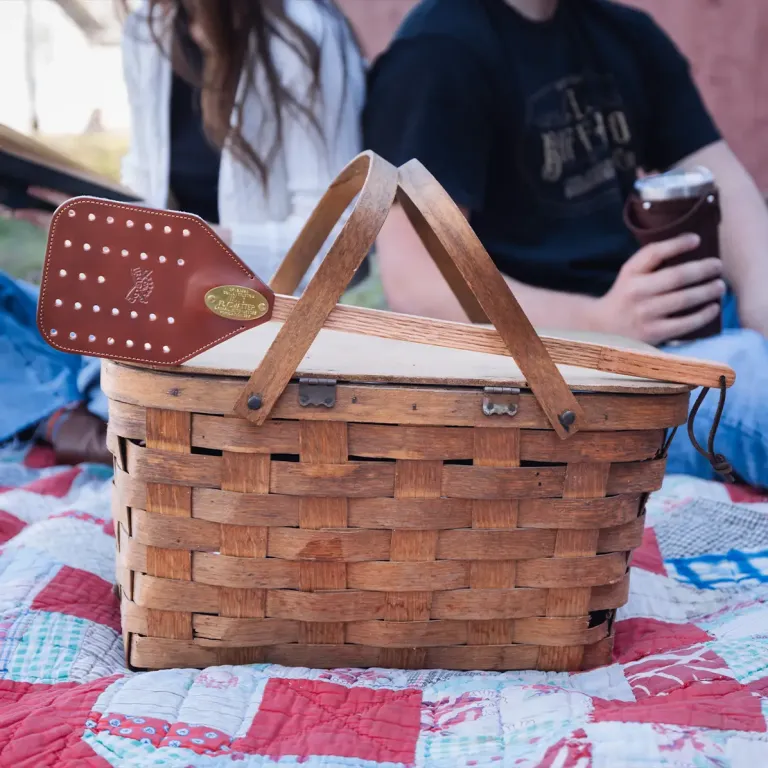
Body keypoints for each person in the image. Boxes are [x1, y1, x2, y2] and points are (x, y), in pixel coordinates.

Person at [363, 0, 768, 488]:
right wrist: (602, 325)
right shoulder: (437, 54)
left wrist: (761, 303)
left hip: (673, 331)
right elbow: (414, 282)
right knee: (753, 386)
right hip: (560, 381)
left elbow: (723, 181)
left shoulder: (623, 32)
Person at [0, 0, 365, 463]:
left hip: (242, 325)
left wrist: (178, 239)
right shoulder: (148, 27)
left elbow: (332, 247)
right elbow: (145, 184)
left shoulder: (299, 34)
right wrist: (89, 222)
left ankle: (74, 415)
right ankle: (78, 415)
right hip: (151, 308)